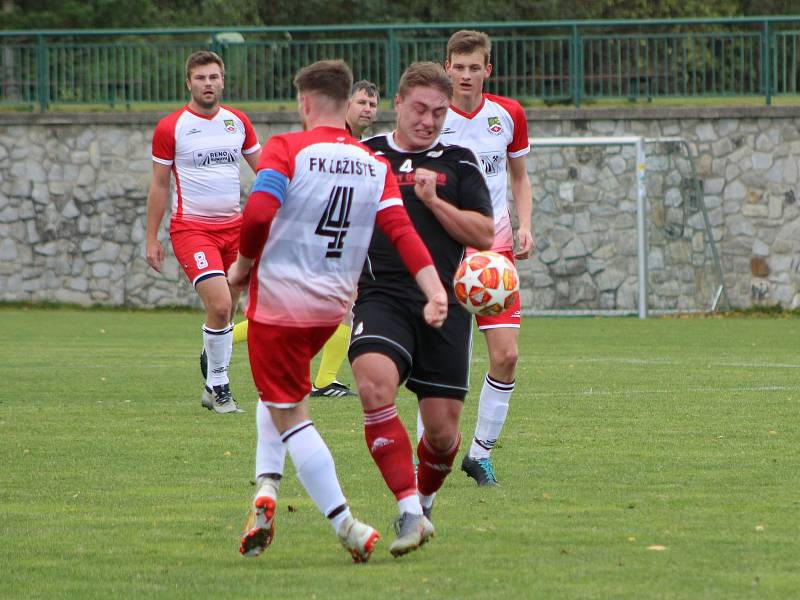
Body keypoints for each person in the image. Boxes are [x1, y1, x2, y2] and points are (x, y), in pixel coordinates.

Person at [228, 59, 447, 562]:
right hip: (330, 309)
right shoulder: (374, 165)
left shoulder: (285, 148)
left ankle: (347, 525)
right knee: (278, 392)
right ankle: (266, 488)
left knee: (292, 413)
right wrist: (434, 288)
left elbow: (260, 212)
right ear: (347, 103)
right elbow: (402, 232)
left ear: (305, 103)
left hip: (280, 305)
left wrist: (241, 265)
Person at [349, 62, 493, 556]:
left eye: (438, 112)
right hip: (382, 296)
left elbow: (483, 234)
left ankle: (425, 503)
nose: (428, 121)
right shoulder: (365, 157)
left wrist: (435, 202)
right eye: (419, 109)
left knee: (441, 432)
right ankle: (408, 509)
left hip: (446, 304)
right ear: (397, 103)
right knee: (372, 384)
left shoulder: (460, 161)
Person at [208, 80, 382, 398]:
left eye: (372, 104)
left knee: (333, 306)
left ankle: (222, 341)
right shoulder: (329, 146)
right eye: (361, 103)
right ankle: (224, 341)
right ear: (344, 106)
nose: (367, 109)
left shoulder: (365, 148)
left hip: (333, 243)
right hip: (309, 242)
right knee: (319, 309)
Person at [438, 30, 534, 486]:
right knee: (440, 361)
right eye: (459, 67)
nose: (466, 75)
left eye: (475, 67)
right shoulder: (434, 118)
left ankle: (479, 454)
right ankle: (431, 454)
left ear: (487, 70)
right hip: (448, 255)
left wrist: (526, 224)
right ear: (447, 68)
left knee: (507, 355)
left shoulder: (508, 115)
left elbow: (519, 177)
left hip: (496, 256)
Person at [146, 50, 260, 414]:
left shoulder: (237, 122)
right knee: (222, 304)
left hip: (236, 229)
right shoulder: (172, 127)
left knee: (226, 313)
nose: (208, 84)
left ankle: (212, 374)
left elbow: (267, 170)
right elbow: (160, 185)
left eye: (213, 77)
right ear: (189, 83)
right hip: (192, 230)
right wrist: (152, 237)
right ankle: (220, 386)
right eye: (200, 78)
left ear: (222, 80)